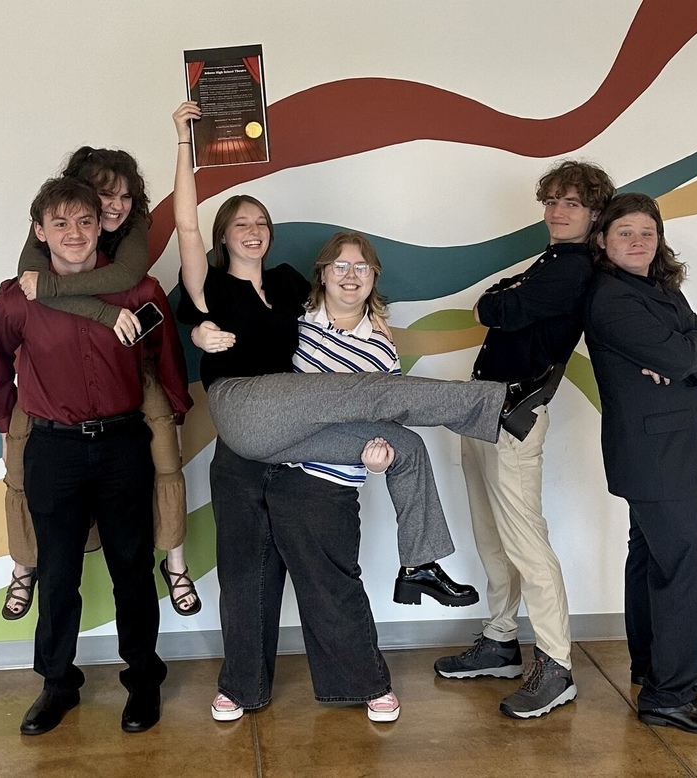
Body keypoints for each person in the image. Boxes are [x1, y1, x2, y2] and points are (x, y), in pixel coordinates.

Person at [170, 100, 550, 720]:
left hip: (296, 446)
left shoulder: (294, 287)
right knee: (248, 579)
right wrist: (184, 144)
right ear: (222, 237)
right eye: (240, 222)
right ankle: (496, 404)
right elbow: (185, 228)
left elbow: (341, 302)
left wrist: (372, 443)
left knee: (404, 446)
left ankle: (418, 564)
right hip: (242, 422)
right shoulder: (208, 285)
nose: (253, 229)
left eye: (261, 221)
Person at [0, 176, 191, 735]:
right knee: (57, 574)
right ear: (39, 232)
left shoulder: (138, 291)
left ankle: (143, 682)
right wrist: (6, 423)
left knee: (131, 569)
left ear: (101, 226)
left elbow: (163, 355)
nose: (74, 234)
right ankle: (57, 684)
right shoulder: (15, 298)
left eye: (84, 222)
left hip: (124, 445)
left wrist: (177, 405)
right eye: (60, 223)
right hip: (53, 450)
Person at [197, 231, 403, 721]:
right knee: (246, 580)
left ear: (373, 279)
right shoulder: (293, 321)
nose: (350, 275)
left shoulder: (382, 351)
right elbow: (235, 336)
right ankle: (241, 686)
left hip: (324, 481)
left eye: (361, 268)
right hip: (253, 467)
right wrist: (199, 334)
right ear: (322, 274)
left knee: (330, 585)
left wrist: (377, 459)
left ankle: (366, 682)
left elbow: (385, 422)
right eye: (340, 266)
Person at [435, 160, 614, 720]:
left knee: (525, 544)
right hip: (483, 409)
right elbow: (498, 305)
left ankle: (556, 665)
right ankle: (500, 640)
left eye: (572, 204)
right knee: (491, 537)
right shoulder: (552, 261)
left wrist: (503, 297)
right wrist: (503, 297)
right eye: (552, 201)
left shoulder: (572, 268)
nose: (557, 212)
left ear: (593, 214)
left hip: (515, 415)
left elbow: (496, 307)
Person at [1, 147, 200, 622]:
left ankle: (174, 562)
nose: (115, 205)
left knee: (165, 459)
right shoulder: (45, 250)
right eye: (104, 195)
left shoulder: (131, 240)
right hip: (54, 403)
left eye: (125, 196)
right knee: (20, 468)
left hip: (127, 385)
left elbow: (136, 292)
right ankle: (24, 565)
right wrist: (100, 311)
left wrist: (176, 398)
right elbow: (29, 292)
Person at [584, 192, 697, 734]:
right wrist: (679, 355)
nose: (637, 241)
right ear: (602, 240)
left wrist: (681, 354)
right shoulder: (610, 298)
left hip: (667, 451)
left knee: (651, 559)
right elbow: (684, 355)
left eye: (647, 232)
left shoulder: (658, 289)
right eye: (624, 232)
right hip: (654, 454)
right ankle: (671, 695)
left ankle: (655, 668)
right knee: (684, 567)